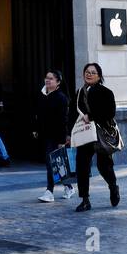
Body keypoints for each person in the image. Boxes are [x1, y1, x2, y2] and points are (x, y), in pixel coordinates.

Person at [70, 63, 121, 211]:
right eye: (87, 72)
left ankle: (113, 187)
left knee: (104, 166)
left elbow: (110, 112)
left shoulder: (106, 92)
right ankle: (85, 200)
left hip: (101, 134)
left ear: (99, 76)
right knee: (82, 166)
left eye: (93, 72)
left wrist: (91, 116)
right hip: (84, 134)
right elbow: (73, 113)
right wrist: (69, 133)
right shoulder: (79, 92)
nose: (89, 74)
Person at [35, 70, 72, 201]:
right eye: (46, 78)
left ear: (58, 82)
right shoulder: (43, 95)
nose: (47, 80)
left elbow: (63, 120)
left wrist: (62, 140)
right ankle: (69, 186)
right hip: (46, 135)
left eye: (51, 78)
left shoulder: (61, 98)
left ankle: (49, 191)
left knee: (52, 163)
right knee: (57, 164)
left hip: (56, 136)